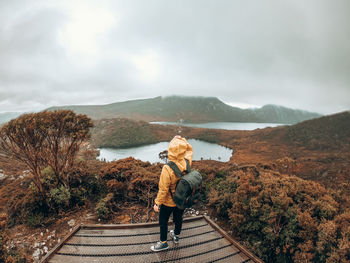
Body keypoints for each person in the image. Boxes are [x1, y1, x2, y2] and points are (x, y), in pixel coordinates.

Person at [151, 135, 193, 252]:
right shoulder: (187, 161)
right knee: (178, 218)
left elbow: (163, 189)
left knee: (163, 221)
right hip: (181, 200)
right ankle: (176, 235)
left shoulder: (167, 168)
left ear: (170, 150)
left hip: (168, 202)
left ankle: (163, 243)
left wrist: (157, 203)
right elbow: (189, 149)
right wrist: (182, 139)